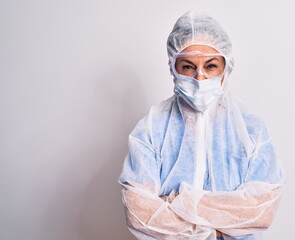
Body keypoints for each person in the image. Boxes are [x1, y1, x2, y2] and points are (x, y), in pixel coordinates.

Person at [118, 10, 284, 240]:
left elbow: (261, 210)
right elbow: (139, 214)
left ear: (226, 67)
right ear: (173, 67)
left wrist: (183, 202)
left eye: (211, 66)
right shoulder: (151, 127)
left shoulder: (251, 127)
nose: (200, 78)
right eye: (187, 66)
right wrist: (218, 226)